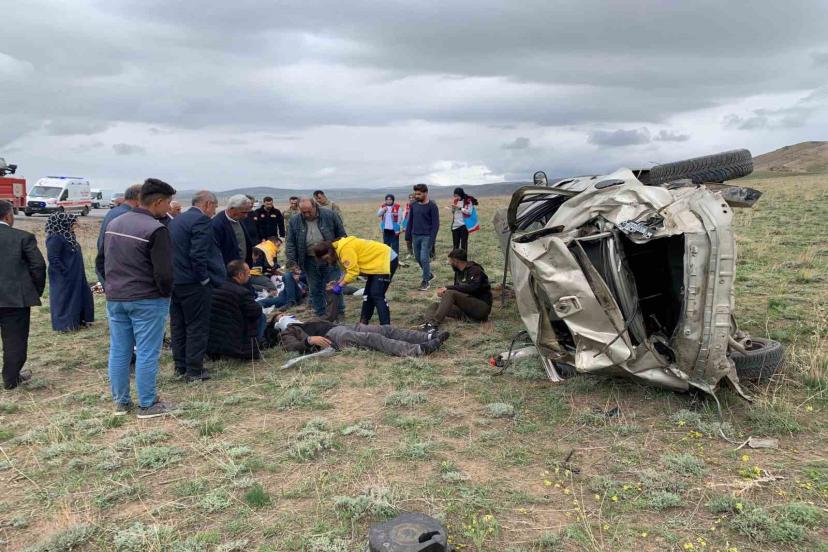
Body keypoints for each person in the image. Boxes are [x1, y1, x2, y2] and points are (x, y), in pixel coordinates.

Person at [103, 178, 177, 418]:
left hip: (116, 297)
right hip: (146, 299)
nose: (169, 208)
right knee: (147, 351)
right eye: (167, 203)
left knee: (119, 350)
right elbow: (164, 273)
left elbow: (101, 260)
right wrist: (165, 294)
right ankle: (147, 403)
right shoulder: (156, 229)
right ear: (157, 202)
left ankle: (121, 402)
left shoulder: (114, 222)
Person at [168, 190, 226, 382]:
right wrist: (205, 279)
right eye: (214, 207)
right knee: (197, 325)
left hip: (176, 282)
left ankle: (181, 365)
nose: (214, 212)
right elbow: (198, 254)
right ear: (207, 204)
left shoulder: (176, 220)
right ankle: (194, 370)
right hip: (194, 283)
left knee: (178, 325)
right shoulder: (201, 221)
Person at [0, 200, 46, 390]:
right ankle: (11, 378)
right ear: (8, 216)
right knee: (15, 340)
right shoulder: (22, 237)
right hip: (15, 300)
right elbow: (38, 266)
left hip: (15, 298)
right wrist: (33, 290)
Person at [277, 312, 448, 357]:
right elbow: (289, 346)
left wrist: (333, 293)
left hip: (344, 327)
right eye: (280, 315)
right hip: (334, 337)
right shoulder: (288, 330)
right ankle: (418, 350)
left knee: (386, 329)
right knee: (373, 339)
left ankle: (428, 337)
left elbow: (330, 315)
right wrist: (308, 340)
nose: (285, 314)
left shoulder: (306, 322)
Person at [284, 198, 347, 318]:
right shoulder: (295, 221)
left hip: (330, 258)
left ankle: (338, 313)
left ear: (315, 206)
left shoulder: (329, 215)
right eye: (303, 212)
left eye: (309, 211)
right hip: (308, 259)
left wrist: (340, 254)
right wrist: (292, 262)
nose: (306, 214)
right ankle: (321, 314)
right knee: (314, 288)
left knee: (334, 285)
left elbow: (342, 235)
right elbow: (290, 242)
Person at [313, 237, 397, 325]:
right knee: (367, 295)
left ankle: (386, 326)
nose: (328, 262)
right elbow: (348, 271)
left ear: (329, 252)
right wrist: (338, 283)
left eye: (326, 259)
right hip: (375, 263)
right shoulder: (337, 251)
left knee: (376, 294)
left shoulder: (344, 250)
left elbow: (353, 273)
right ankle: (363, 323)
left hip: (386, 259)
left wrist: (340, 286)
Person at [45, 213, 94, 332]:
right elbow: (53, 258)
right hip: (64, 276)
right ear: (63, 223)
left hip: (75, 274)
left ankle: (79, 320)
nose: (75, 225)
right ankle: (65, 325)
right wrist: (64, 271)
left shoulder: (68, 235)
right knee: (65, 299)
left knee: (80, 296)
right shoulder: (55, 238)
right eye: (72, 222)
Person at [421, 249, 492, 331]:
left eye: (450, 261)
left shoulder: (475, 270)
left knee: (450, 293)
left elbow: (473, 288)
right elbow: (459, 291)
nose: (449, 263)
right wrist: (445, 295)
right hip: (465, 309)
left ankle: (434, 324)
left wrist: (448, 289)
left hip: (481, 308)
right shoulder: (458, 272)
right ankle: (428, 325)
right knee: (435, 305)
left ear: (456, 261)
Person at [207, 260, 265, 360]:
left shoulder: (216, 287)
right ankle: (253, 347)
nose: (250, 276)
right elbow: (256, 311)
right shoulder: (242, 292)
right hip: (235, 342)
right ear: (240, 275)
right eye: (248, 273)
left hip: (213, 343)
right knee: (261, 316)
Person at [95, 183, 141, 285]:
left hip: (109, 270)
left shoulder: (114, 212)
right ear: (139, 198)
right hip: (119, 276)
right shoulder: (126, 216)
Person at [405, 183, 440, 291]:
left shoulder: (432, 206)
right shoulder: (413, 205)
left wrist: (432, 239)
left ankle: (426, 281)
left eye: (419, 194)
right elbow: (410, 220)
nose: (416, 196)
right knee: (418, 258)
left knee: (424, 258)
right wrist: (408, 235)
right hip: (415, 235)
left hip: (427, 236)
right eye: (416, 194)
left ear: (425, 193)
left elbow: (436, 224)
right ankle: (429, 274)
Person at [211, 194, 254, 267]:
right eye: (244, 212)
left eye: (248, 212)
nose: (246, 216)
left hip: (242, 268)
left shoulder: (238, 219)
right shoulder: (217, 224)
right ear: (232, 209)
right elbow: (216, 253)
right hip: (228, 270)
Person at [449, 187, 480, 252]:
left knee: (464, 244)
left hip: (464, 225)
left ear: (461, 194)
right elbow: (454, 212)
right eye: (455, 196)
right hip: (455, 225)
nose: (456, 197)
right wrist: (453, 209)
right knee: (455, 245)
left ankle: (463, 259)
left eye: (457, 196)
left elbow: (469, 212)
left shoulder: (468, 201)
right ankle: (455, 259)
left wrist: (460, 208)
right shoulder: (455, 201)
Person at [401, 193, 415, 260]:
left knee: (415, 239)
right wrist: (403, 224)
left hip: (415, 224)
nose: (411, 199)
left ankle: (416, 253)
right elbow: (404, 215)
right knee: (408, 240)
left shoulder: (418, 205)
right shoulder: (407, 205)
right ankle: (410, 252)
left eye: (413, 197)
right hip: (407, 223)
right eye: (410, 197)